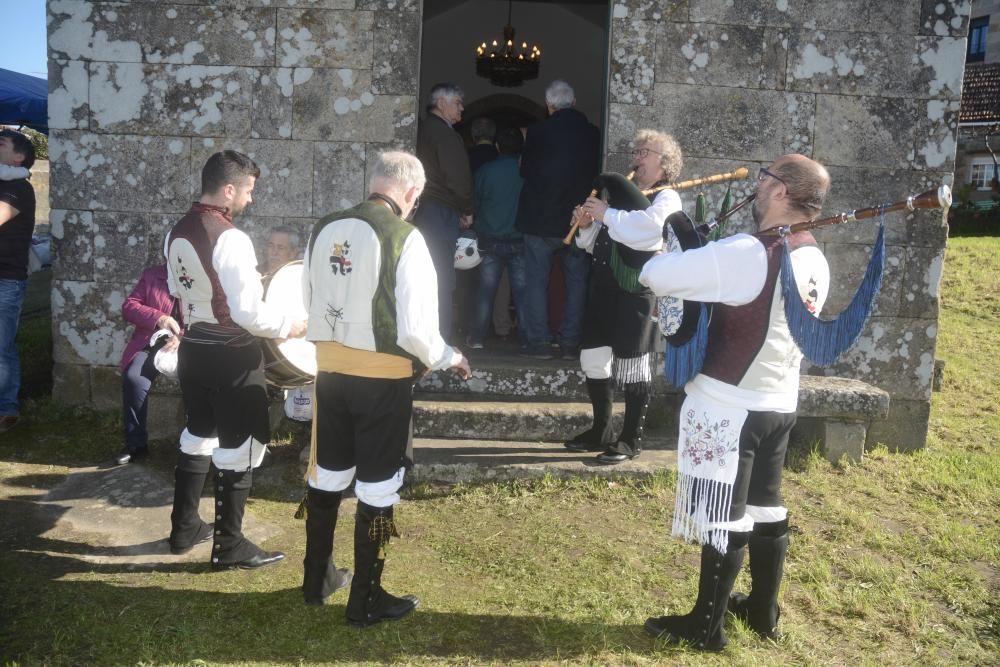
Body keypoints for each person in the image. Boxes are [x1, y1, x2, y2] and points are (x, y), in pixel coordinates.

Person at [638, 154, 832, 651]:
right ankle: (763, 611)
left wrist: (667, 245)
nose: (759, 183)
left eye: (765, 177)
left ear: (781, 192)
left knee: (724, 514)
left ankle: (707, 627)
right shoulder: (814, 254)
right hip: (778, 402)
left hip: (727, 406)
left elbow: (657, 277)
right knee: (766, 506)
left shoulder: (749, 250)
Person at [301, 151, 470, 623]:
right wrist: (449, 356)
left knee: (329, 472)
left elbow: (307, 297)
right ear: (412, 193)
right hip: (381, 381)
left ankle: (316, 578)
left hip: (330, 374)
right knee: (377, 486)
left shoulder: (323, 228)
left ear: (373, 182)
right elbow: (416, 329)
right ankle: (366, 598)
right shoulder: (406, 238)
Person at [165, 150, 307, 567]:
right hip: (231, 356)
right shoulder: (231, 237)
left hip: (194, 350)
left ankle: (184, 527)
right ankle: (229, 546)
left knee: (198, 434)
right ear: (229, 189)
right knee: (242, 447)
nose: (251, 199)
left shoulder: (176, 230)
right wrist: (289, 325)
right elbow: (247, 314)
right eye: (248, 190)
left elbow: (181, 290)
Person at [567, 130, 684, 464]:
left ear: (664, 164)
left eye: (644, 152)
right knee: (593, 359)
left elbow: (649, 231)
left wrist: (606, 214)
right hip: (603, 289)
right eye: (636, 151)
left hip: (636, 293)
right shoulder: (616, 201)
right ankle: (601, 430)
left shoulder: (667, 198)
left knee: (633, 366)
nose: (636, 158)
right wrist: (587, 224)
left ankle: (631, 439)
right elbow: (592, 246)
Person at [516, 80, 600, 360]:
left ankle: (539, 343)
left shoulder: (538, 132)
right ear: (573, 102)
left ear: (549, 105)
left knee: (536, 282)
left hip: (539, 219)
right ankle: (569, 344)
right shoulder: (591, 133)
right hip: (578, 220)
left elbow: (525, 171)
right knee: (577, 283)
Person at [414, 83, 474, 344]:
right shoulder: (445, 134)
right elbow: (457, 177)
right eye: (458, 102)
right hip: (439, 211)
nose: (462, 107)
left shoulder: (422, 130)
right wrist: (467, 208)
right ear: (441, 103)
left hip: (424, 209)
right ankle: (438, 339)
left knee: (424, 274)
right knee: (441, 277)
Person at [114, 264, 181, 465]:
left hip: (189, 344)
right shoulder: (153, 274)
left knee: (196, 380)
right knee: (134, 378)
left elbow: (209, 317)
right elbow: (129, 307)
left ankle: (194, 447)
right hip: (150, 342)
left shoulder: (203, 276)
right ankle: (136, 445)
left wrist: (182, 337)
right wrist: (159, 318)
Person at [468, 127, 527, 350]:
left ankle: (477, 338)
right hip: (519, 238)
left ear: (497, 146)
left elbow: (476, 202)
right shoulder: (526, 172)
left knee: (486, 291)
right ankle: (526, 339)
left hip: (490, 238)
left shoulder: (486, 171)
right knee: (522, 293)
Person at [0, 130, 36, 433]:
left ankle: (7, 409)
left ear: (19, 156)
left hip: (6, 279)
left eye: (2, 143)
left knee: (1, 347)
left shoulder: (18, 188)